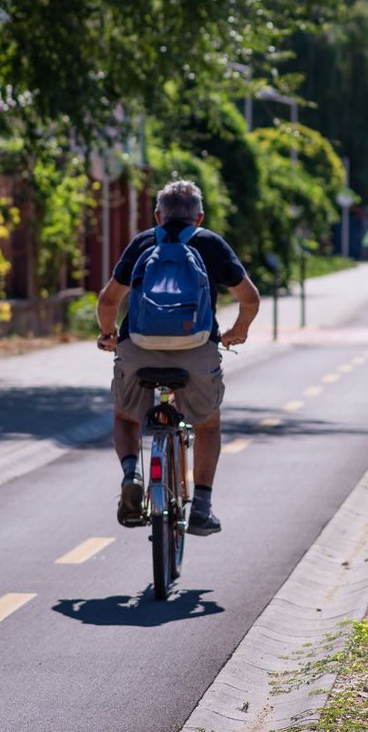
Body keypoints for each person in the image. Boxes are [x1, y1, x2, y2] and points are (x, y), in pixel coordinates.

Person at [94, 179, 260, 536]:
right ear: (199, 218)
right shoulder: (211, 243)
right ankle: (201, 505)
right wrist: (238, 331)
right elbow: (251, 299)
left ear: (158, 215)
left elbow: (108, 301)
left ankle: (131, 474)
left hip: (138, 349)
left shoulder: (142, 242)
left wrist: (109, 336)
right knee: (208, 423)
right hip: (196, 351)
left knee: (125, 417)